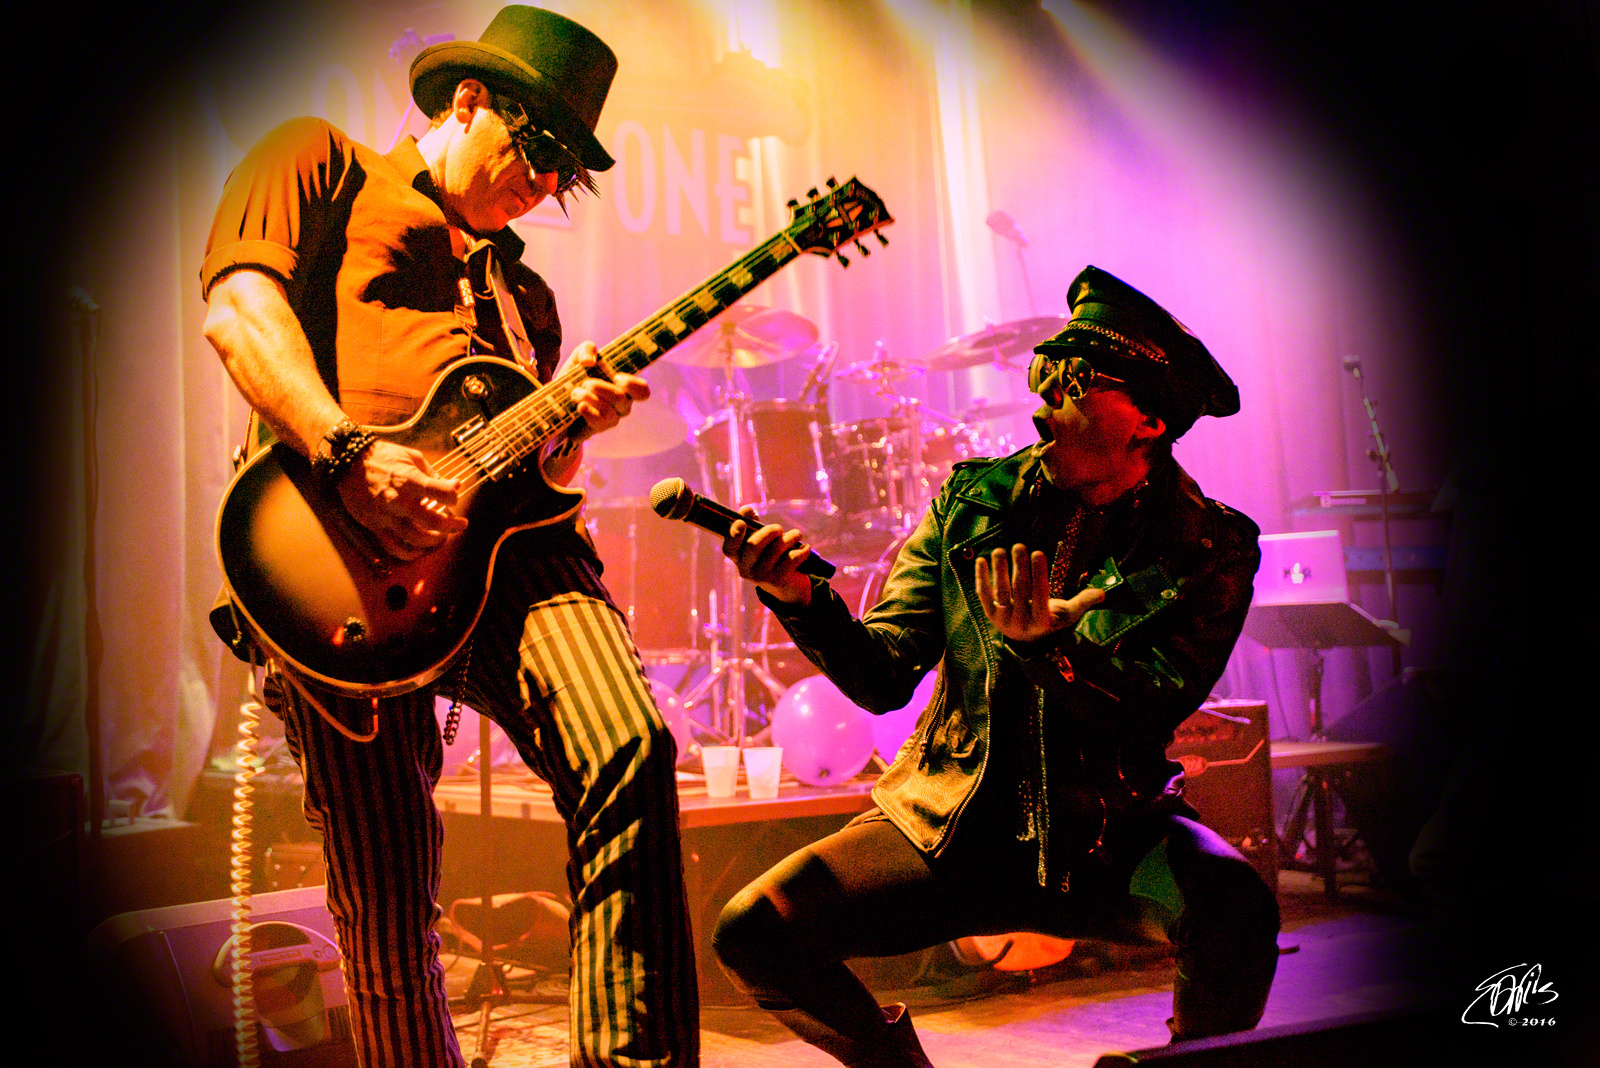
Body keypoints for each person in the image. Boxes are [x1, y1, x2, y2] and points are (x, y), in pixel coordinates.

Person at [200, 8, 698, 1066]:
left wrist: (571, 430)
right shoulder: (319, 161)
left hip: (509, 565)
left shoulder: (525, 298)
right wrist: (346, 453)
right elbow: (239, 312)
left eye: (568, 176)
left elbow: (532, 485)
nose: (546, 186)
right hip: (330, 556)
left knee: (629, 745)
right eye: (539, 150)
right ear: (469, 101)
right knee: (386, 896)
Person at [713, 266, 1280, 1065]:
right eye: (1045, 380)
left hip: (1108, 837)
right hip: (949, 828)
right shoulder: (973, 502)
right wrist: (802, 599)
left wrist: (1051, 653)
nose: (1042, 406)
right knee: (754, 930)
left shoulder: (1209, 547)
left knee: (1235, 906)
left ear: (1148, 422)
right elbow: (882, 676)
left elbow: (1154, 703)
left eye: (1073, 388)